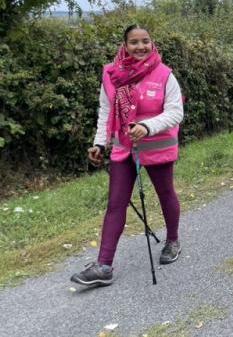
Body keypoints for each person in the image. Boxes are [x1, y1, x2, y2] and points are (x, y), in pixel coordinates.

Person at [71, 24, 184, 287]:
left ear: (152, 42)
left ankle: (173, 240)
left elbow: (175, 112)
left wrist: (147, 126)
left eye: (145, 41)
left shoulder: (165, 74)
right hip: (124, 148)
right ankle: (104, 266)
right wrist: (99, 143)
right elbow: (105, 111)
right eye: (134, 42)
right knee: (115, 203)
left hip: (158, 146)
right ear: (125, 45)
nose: (140, 47)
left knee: (166, 194)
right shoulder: (111, 75)